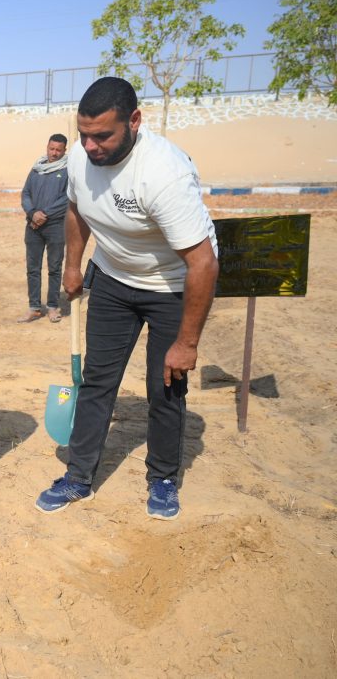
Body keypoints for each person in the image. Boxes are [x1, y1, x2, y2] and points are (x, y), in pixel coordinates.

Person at [34, 77, 219, 520]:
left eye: (103, 136)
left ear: (134, 121)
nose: (92, 146)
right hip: (115, 280)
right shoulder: (79, 158)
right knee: (97, 380)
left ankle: (163, 478)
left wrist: (187, 343)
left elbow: (203, 264)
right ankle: (78, 477)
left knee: (165, 387)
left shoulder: (163, 173)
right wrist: (74, 265)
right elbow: (77, 208)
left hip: (172, 287)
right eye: (85, 134)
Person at [19, 133, 69, 324]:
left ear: (64, 151)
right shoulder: (36, 169)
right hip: (32, 226)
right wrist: (33, 213)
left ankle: (53, 307)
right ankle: (34, 308)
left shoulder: (67, 171)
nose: (54, 153)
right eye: (51, 148)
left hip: (56, 226)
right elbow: (26, 193)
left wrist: (43, 214)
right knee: (33, 268)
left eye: (58, 150)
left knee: (55, 268)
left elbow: (67, 199)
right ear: (47, 147)